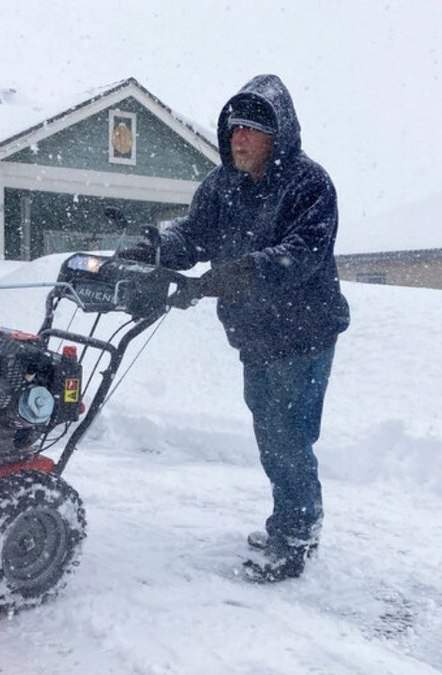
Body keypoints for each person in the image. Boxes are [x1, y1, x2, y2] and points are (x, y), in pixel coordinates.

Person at [118, 74, 349, 582]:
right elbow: (193, 233)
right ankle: (289, 520)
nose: (239, 138)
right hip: (255, 335)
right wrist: (154, 247)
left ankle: (296, 535)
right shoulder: (221, 186)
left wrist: (246, 270)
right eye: (234, 127)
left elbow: (303, 253)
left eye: (252, 129)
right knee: (270, 433)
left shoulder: (309, 184)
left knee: (288, 436)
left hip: (304, 333)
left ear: (278, 135)